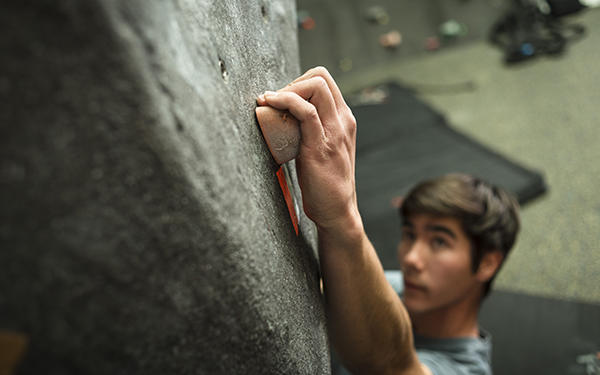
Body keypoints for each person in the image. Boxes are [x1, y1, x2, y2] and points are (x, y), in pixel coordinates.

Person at [256, 67, 520, 375]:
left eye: (439, 241)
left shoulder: (468, 370)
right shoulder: (400, 285)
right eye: (409, 234)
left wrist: (342, 217)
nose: (411, 258)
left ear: (487, 263)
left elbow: (391, 365)